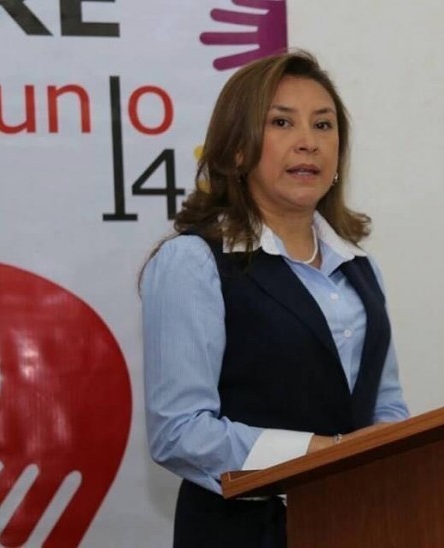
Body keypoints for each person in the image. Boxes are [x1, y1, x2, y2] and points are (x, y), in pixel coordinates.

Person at [140, 50, 409, 548]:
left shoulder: (360, 267)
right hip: (243, 532)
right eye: (282, 122)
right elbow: (179, 432)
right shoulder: (193, 261)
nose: (308, 141)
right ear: (238, 150)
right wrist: (324, 454)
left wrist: (391, 452)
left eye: (323, 125)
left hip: (357, 524)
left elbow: (385, 403)